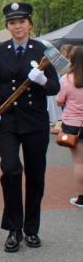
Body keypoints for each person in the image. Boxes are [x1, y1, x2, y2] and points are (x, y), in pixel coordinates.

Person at [0, 2, 60, 252]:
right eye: (12, 23)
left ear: (30, 24)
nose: (17, 26)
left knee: (36, 175)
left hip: (35, 122)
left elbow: (56, 88)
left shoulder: (43, 50)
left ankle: (32, 229)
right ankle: (14, 228)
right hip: (8, 122)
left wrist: (43, 80)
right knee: (11, 170)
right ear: (7, 26)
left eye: (21, 22)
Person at [56, 46, 83, 208]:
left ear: (71, 60)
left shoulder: (66, 79)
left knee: (80, 163)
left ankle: (82, 197)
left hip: (73, 124)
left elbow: (59, 100)